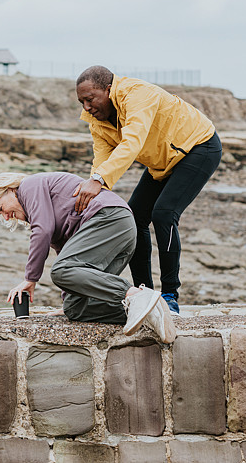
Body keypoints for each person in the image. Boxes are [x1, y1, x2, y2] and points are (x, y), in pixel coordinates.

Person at [73, 65, 222, 314]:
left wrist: (98, 180)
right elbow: (101, 160)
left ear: (108, 90)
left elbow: (133, 142)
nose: (86, 107)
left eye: (90, 99)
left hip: (199, 147)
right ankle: (145, 293)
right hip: (163, 160)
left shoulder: (138, 94)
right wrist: (96, 188)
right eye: (81, 101)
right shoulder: (96, 122)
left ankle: (170, 295)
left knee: (164, 214)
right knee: (132, 217)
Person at [0, 171, 176, 343]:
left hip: (109, 218)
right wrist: (68, 301)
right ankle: (151, 311)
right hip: (118, 231)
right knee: (77, 308)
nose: (5, 217)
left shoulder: (29, 186)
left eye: (1, 209)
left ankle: (138, 295)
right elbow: (69, 257)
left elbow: (44, 231)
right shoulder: (44, 210)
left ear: (9, 190)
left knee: (60, 270)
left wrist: (30, 279)